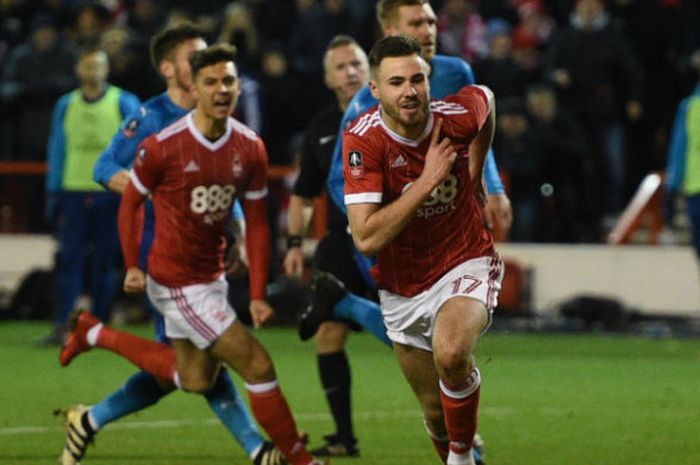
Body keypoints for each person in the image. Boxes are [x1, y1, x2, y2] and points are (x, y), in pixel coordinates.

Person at [59, 23, 284, 465]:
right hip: (166, 263)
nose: (207, 67)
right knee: (203, 366)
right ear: (169, 69)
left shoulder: (217, 119)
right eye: (194, 58)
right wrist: (151, 193)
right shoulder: (151, 117)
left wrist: (235, 229)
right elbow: (105, 167)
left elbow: (224, 182)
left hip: (207, 259)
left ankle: (89, 414)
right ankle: (258, 450)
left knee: (182, 372)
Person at [118, 43, 324, 465]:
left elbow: (259, 221)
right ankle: (299, 459)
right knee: (257, 364)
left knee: (195, 378)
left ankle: (93, 333)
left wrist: (257, 294)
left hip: (212, 276)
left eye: (228, 80)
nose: (221, 89)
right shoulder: (163, 146)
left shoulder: (250, 147)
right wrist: (132, 265)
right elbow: (131, 203)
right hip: (175, 281)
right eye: (210, 82)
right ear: (194, 89)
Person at [343, 35, 503, 465]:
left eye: (417, 79)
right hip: (403, 284)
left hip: (465, 257)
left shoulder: (456, 119)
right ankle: (458, 449)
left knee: (452, 354)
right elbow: (368, 238)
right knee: (435, 415)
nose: (409, 90)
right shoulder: (363, 142)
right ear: (374, 90)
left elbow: (486, 100)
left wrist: (477, 170)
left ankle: (462, 458)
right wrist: (429, 181)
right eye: (396, 82)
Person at [282, 35, 372, 457]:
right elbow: (303, 192)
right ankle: (345, 437)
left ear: (370, 69)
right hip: (342, 240)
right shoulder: (320, 127)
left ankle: (456, 427)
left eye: (356, 63)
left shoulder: (388, 113)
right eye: (341, 66)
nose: (350, 71)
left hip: (391, 237)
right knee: (327, 333)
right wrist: (295, 243)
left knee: (414, 336)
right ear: (326, 78)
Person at [44, 45, 140, 344]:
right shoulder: (66, 104)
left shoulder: (123, 102)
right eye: (88, 66)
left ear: (106, 69)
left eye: (98, 66)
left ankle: (98, 326)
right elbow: (57, 149)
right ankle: (63, 324)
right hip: (72, 191)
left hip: (111, 194)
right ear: (78, 70)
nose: (93, 72)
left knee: (105, 262)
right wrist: (53, 191)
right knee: (68, 261)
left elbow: (140, 148)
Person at [666, 50, 700, 265]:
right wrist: (672, 185)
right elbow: (679, 149)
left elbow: (678, 149)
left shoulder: (690, 106)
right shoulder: (690, 106)